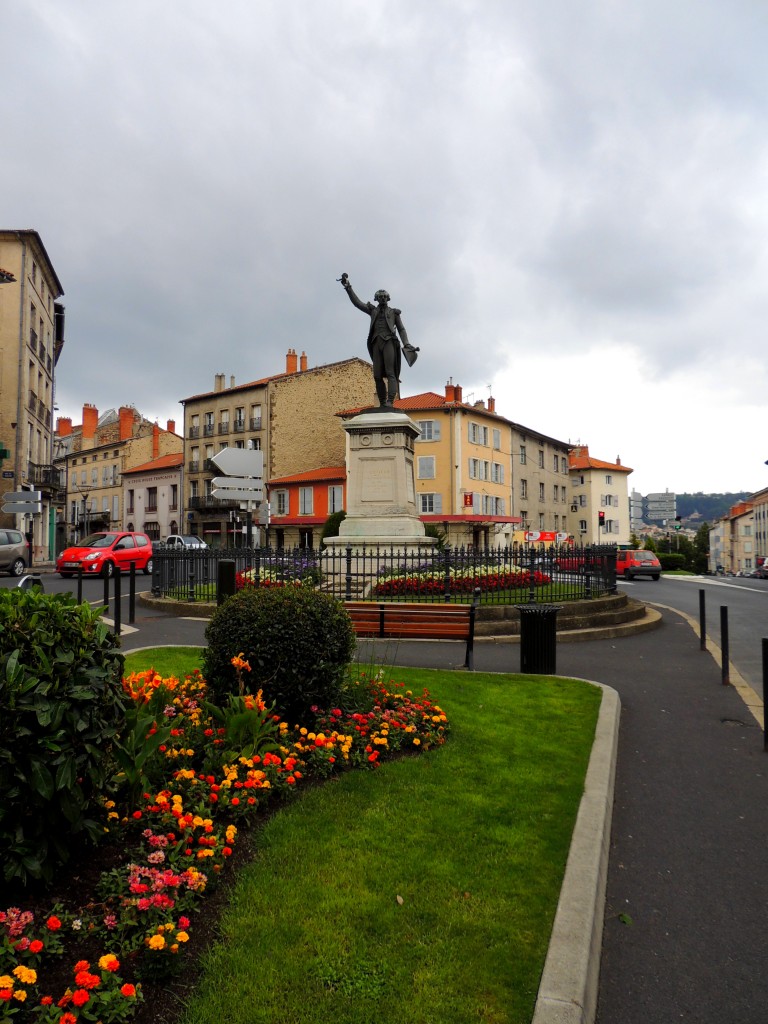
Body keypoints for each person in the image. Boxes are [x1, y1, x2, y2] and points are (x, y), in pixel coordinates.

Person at [339, 273, 419, 407]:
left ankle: (390, 401)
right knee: (377, 375)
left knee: (390, 372)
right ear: (376, 298)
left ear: (388, 298)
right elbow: (357, 303)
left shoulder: (394, 313)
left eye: (384, 297)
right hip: (376, 343)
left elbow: (401, 329)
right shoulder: (373, 311)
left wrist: (406, 343)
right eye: (380, 297)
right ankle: (382, 403)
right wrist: (348, 287)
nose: (382, 299)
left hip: (389, 342)